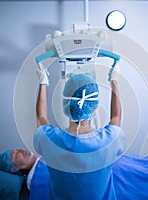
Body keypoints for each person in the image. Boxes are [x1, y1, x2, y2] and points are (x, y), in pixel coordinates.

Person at [32, 61, 125, 199]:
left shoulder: (50, 140)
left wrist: (42, 82)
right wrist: (114, 81)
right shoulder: (109, 140)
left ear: (65, 104)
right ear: (94, 105)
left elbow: (41, 117)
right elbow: (116, 117)